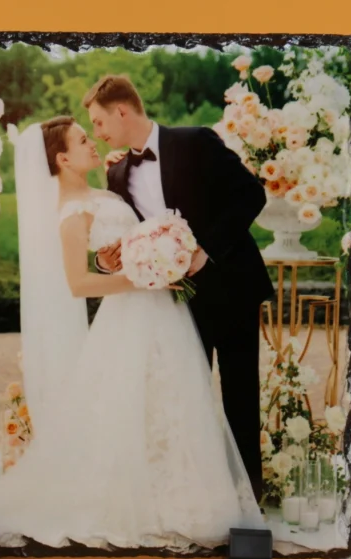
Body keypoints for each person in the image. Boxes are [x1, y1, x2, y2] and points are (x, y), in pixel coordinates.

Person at [0, 116, 266, 552]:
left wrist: (150, 257)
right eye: (82, 140)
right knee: (131, 404)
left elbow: (130, 240)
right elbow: (78, 284)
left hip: (165, 312)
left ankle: (185, 491)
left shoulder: (108, 189)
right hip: (130, 314)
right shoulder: (70, 214)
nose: (92, 142)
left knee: (178, 398)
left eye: (92, 134)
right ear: (62, 158)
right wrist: (140, 277)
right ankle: (140, 498)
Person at [84, 75, 274, 503]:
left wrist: (207, 249)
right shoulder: (116, 173)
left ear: (121, 111)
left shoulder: (196, 142)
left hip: (232, 286)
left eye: (98, 122)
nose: (98, 133)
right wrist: (104, 260)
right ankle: (203, 495)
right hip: (175, 304)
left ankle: (251, 499)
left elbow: (251, 195)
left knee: (240, 395)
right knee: (187, 400)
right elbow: (120, 236)